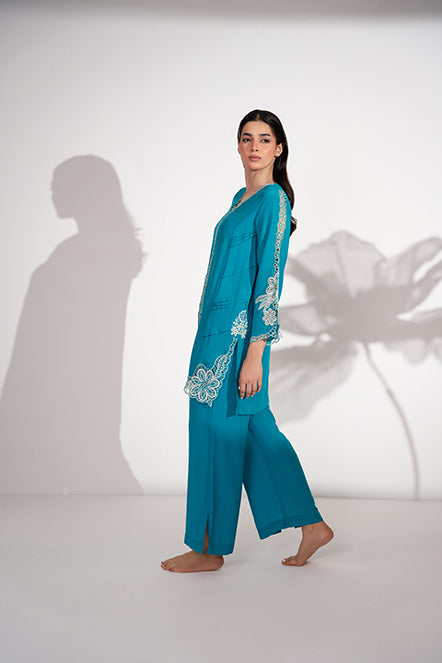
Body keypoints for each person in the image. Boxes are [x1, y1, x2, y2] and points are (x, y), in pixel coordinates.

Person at [161, 110, 333, 573]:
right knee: (257, 432)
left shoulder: (274, 199)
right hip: (212, 333)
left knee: (213, 433)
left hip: (238, 341)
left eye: (264, 139)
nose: (255, 146)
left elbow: (269, 278)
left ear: (279, 148)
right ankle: (312, 524)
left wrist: (256, 352)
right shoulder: (241, 198)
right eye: (246, 138)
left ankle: (207, 548)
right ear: (238, 146)